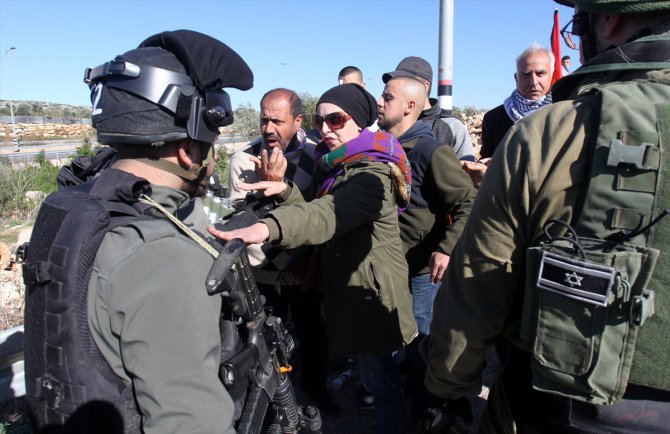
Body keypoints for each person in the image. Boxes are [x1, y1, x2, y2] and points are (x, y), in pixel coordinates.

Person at [422, 1, 670, 432]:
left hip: (564, 398)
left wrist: (447, 383)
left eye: (580, 24)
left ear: (608, 21)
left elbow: (483, 274)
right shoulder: (511, 121)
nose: (535, 81)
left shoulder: (554, 129)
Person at [23, 30, 253, 433]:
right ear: (187, 149)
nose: (214, 156)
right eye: (211, 142)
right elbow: (190, 422)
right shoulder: (162, 255)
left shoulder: (77, 206)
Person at [210, 83, 418, 434]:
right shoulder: (338, 164)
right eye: (321, 121)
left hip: (372, 296)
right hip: (344, 288)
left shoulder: (373, 174)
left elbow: (326, 216)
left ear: (360, 123)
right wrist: (287, 191)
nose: (324, 130)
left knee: (381, 381)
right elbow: (314, 208)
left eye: (336, 120)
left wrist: (266, 227)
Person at [227, 89, 336, 414]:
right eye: (264, 120)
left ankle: (315, 390)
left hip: (303, 270)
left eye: (278, 121)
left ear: (298, 121)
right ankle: (266, 400)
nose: (269, 129)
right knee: (260, 339)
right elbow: (241, 219)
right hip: (260, 274)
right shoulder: (244, 160)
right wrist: (267, 189)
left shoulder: (318, 159)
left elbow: (318, 213)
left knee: (312, 335)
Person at [377, 74, 476, 419]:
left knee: (421, 345)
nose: (379, 101)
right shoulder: (378, 146)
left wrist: (447, 248)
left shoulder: (430, 150)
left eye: (387, 97)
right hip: (387, 268)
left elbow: (468, 202)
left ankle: (427, 409)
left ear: (410, 107)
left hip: (419, 272)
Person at [382, 56, 476, 162]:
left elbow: (467, 171)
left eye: (406, 81)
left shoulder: (451, 126)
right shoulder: (390, 122)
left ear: (425, 86)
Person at [479, 43, 554, 159]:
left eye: (540, 74)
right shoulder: (493, 118)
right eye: (526, 75)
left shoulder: (565, 113)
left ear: (552, 75)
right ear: (516, 78)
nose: (534, 81)